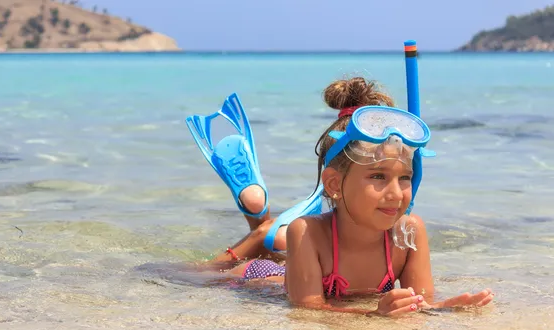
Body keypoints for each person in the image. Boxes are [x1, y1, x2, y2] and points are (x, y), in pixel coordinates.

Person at [185, 76, 494, 317]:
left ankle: (263, 222)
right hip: (265, 277)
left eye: (405, 178)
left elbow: (420, 304)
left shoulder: (409, 232)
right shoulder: (306, 231)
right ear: (333, 184)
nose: (395, 193)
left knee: (282, 242)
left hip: (310, 261)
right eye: (378, 176)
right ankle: (258, 217)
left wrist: (446, 308)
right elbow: (308, 313)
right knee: (202, 274)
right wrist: (374, 314)